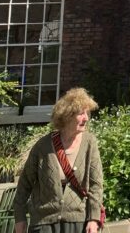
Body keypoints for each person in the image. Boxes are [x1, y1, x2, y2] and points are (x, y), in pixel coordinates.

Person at [14, 88, 104, 233]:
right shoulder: (43, 146)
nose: (86, 118)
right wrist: (20, 218)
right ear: (67, 116)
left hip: (77, 222)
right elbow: (24, 184)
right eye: (81, 113)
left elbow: (96, 185)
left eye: (87, 113)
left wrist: (93, 219)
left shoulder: (89, 143)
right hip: (44, 221)